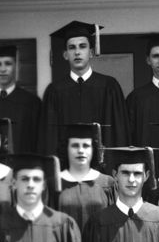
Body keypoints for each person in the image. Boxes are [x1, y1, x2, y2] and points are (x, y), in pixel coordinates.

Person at [38, 20, 129, 155]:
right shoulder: (55, 91)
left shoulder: (109, 86)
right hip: (66, 170)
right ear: (65, 54)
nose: (77, 52)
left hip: (102, 168)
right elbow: (48, 137)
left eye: (82, 46)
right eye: (72, 47)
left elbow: (119, 133)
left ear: (91, 52)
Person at [56, 122, 117, 232]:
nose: (80, 150)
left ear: (93, 149)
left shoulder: (107, 183)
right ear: (66, 148)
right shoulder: (54, 183)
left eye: (86, 145)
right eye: (75, 145)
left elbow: (114, 224)